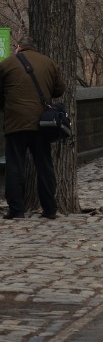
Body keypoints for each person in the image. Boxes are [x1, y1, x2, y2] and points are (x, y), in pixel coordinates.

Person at [0, 35, 65, 220]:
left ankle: (16, 209)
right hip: (41, 123)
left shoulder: (6, 64)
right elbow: (59, 90)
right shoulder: (49, 63)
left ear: (18, 47)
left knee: (15, 165)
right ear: (35, 48)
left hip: (15, 123)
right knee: (44, 164)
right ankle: (50, 208)